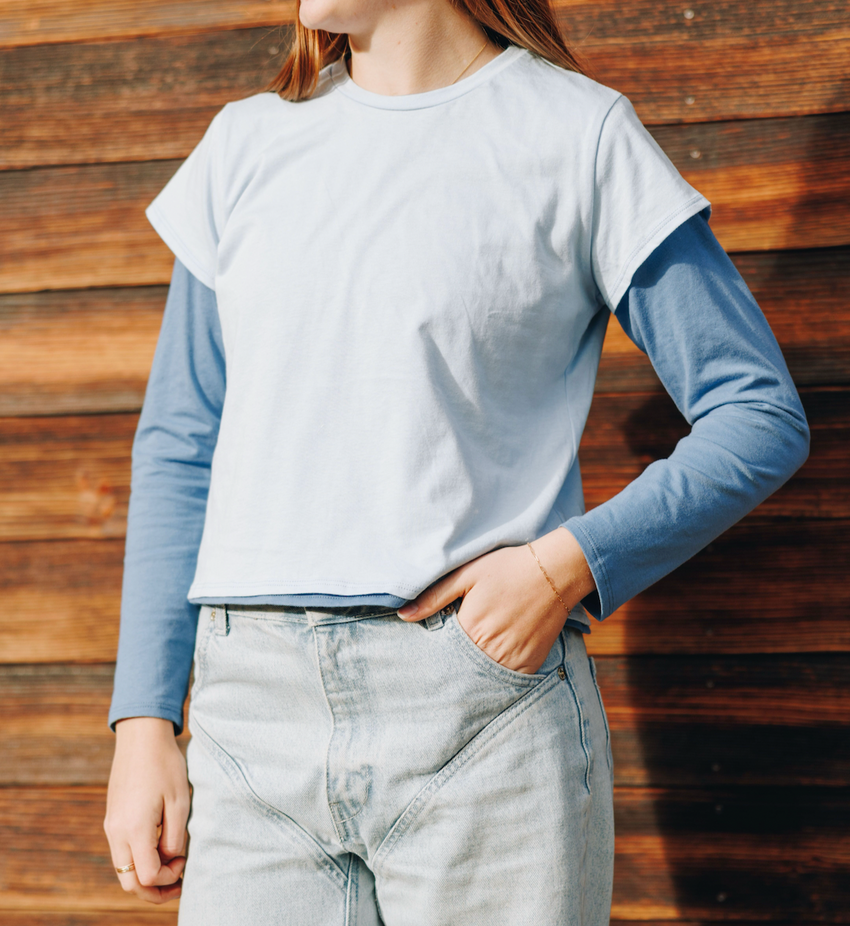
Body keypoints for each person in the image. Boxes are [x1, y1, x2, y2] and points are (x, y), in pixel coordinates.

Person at [101, 0, 810, 921]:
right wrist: (144, 722)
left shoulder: (577, 135)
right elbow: (179, 444)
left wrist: (562, 569)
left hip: (481, 709)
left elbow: (757, 412)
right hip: (250, 724)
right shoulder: (245, 145)